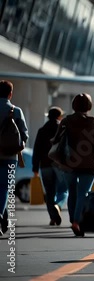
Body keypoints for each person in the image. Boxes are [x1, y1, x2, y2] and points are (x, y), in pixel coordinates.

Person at [55, 93, 94, 236]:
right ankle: (77, 222)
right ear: (89, 106)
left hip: (68, 164)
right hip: (88, 165)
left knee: (71, 192)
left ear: (74, 105)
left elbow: (57, 140)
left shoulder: (66, 121)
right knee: (83, 194)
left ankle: (73, 220)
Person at [0, 80, 28, 236]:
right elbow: (24, 134)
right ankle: (1, 217)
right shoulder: (15, 111)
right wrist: (19, 145)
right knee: (4, 187)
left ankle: (3, 218)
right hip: (10, 157)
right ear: (10, 94)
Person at [32, 106, 68, 226]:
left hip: (45, 165)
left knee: (49, 192)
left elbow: (36, 150)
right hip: (59, 164)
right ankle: (58, 205)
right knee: (63, 189)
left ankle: (53, 217)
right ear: (60, 116)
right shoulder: (63, 129)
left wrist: (35, 168)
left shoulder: (42, 130)